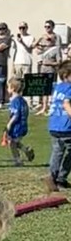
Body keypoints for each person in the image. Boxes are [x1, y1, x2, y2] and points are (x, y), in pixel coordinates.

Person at [45, 60, 71, 192]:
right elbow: (66, 104)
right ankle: (60, 178)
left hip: (54, 125)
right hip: (66, 127)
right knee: (67, 152)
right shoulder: (70, 88)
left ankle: (52, 175)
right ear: (67, 75)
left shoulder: (58, 88)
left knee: (57, 151)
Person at [4, 78, 34, 167]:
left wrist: (9, 124)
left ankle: (17, 160)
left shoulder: (15, 101)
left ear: (13, 88)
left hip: (17, 126)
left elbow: (16, 114)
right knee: (15, 142)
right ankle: (26, 150)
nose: (7, 89)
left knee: (12, 143)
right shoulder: (22, 100)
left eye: (8, 87)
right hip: (23, 125)